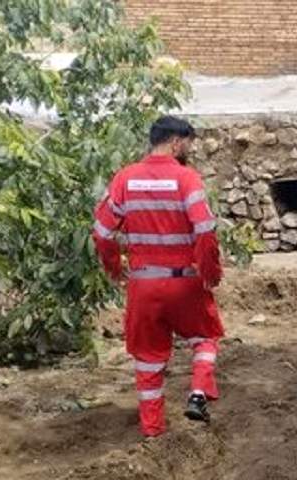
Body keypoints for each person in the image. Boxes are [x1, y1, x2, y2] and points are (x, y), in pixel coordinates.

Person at [91, 115, 225, 437]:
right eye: (188, 144)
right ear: (176, 142)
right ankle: (197, 392)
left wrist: (113, 267)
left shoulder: (125, 178)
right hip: (185, 283)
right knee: (205, 339)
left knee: (149, 361)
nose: (188, 150)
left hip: (143, 285)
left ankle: (153, 433)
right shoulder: (186, 179)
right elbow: (205, 231)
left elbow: (102, 232)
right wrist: (210, 272)